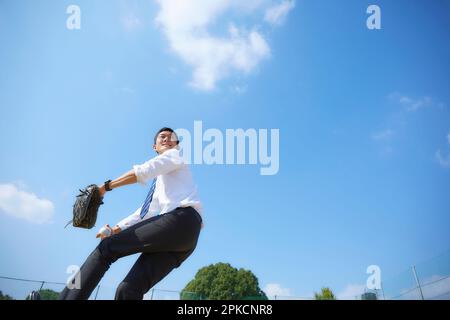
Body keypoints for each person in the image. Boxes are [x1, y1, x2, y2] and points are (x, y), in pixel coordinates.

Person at [59, 127, 203, 300]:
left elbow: (143, 171)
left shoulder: (174, 155)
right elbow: (145, 213)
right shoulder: (162, 181)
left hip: (181, 221)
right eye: (162, 137)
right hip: (184, 239)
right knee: (128, 290)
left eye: (171, 138)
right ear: (154, 147)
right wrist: (115, 229)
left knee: (106, 248)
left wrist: (105, 187)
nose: (166, 139)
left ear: (176, 145)